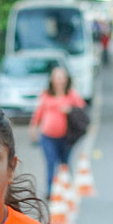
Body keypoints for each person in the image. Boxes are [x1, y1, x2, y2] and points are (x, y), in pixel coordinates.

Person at [29, 65, 86, 198]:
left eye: (62, 78)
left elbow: (83, 112)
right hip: (47, 136)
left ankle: (66, 188)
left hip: (66, 136)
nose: (60, 81)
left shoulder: (72, 95)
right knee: (50, 162)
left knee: (64, 163)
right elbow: (39, 113)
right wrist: (33, 128)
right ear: (52, 79)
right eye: (57, 77)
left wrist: (70, 110)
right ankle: (50, 191)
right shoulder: (46, 94)